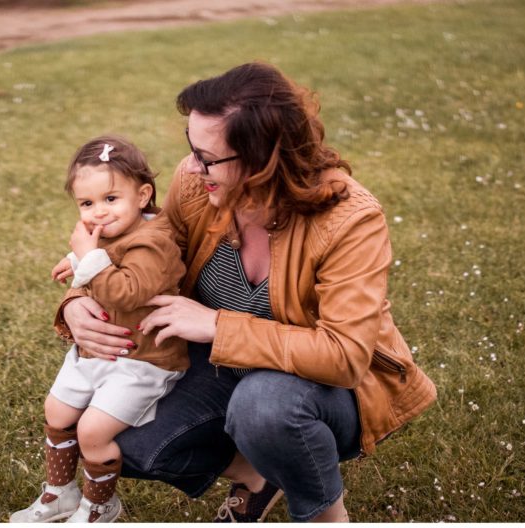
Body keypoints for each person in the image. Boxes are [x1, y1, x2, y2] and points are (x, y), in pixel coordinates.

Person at [54, 62, 437, 522]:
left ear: (262, 160)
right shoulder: (197, 183)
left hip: (325, 389)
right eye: (191, 149)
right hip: (219, 365)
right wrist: (76, 301)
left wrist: (215, 324)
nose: (193, 166)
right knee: (121, 441)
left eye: (209, 157)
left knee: (265, 408)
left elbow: (344, 356)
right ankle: (259, 475)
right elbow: (146, 262)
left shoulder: (350, 220)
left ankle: (324, 512)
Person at [10, 135, 188, 523]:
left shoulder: (155, 242)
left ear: (142, 196)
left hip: (144, 360)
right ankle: (60, 492)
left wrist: (87, 258)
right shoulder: (110, 234)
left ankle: (99, 506)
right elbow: (99, 264)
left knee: (92, 431)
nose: (98, 213)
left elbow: (127, 292)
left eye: (111, 199)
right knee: (56, 410)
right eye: (87, 203)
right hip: (96, 352)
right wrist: (79, 263)